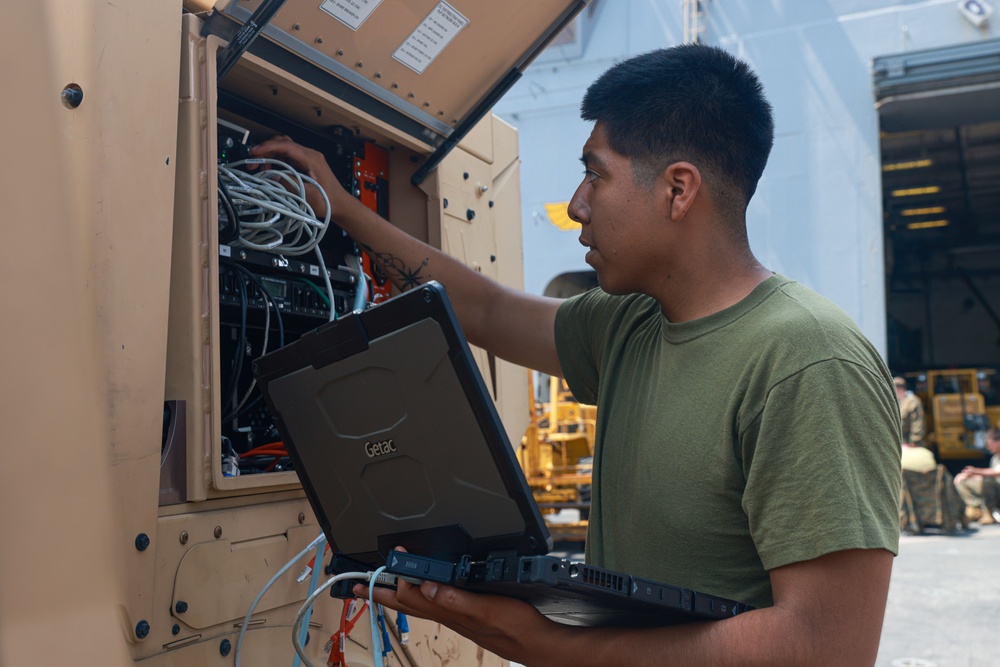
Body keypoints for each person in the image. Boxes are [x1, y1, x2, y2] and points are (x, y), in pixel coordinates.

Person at [252, 44, 902, 666]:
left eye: (595, 172)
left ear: (679, 190)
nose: (576, 204)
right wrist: (342, 210)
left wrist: (551, 647)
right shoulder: (630, 324)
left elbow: (825, 647)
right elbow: (488, 311)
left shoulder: (809, 361)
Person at [954, 428, 1000, 525]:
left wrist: (976, 471)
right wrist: (967, 476)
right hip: (995, 489)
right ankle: (975, 509)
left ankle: (988, 512)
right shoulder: (995, 458)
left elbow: (996, 472)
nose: (988, 447)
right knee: (964, 483)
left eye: (989, 443)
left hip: (997, 489)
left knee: (987, 480)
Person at [894, 376, 926, 447]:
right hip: (902, 443)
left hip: (911, 444)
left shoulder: (912, 401)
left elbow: (917, 421)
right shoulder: (899, 401)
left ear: (897, 388)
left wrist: (914, 441)